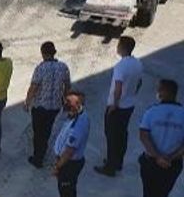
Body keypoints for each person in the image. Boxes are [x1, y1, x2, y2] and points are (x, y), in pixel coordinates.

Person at [95, 36, 143, 177]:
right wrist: (132, 95)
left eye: (118, 45)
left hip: (118, 106)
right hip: (129, 105)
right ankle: (118, 162)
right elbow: (139, 83)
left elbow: (118, 87)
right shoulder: (138, 63)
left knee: (111, 136)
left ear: (122, 47)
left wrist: (114, 105)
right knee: (122, 134)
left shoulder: (120, 66)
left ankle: (110, 166)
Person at [26, 41, 71, 168]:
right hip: (54, 107)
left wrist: (27, 101)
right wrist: (66, 101)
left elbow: (33, 87)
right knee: (46, 131)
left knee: (38, 132)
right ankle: (41, 153)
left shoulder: (40, 68)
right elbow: (67, 86)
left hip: (40, 106)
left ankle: (37, 157)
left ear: (42, 53)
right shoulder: (63, 67)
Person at [138, 79, 184, 197]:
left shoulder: (151, 111)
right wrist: (169, 158)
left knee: (148, 193)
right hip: (172, 165)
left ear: (164, 92)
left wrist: (158, 157)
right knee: (163, 194)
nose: (157, 91)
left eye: (159, 89)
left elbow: (143, 135)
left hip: (151, 163)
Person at [53, 90, 90, 197]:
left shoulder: (79, 124)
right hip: (67, 162)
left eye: (69, 102)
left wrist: (57, 166)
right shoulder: (75, 115)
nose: (65, 103)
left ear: (78, 105)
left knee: (66, 192)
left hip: (69, 165)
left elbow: (69, 151)